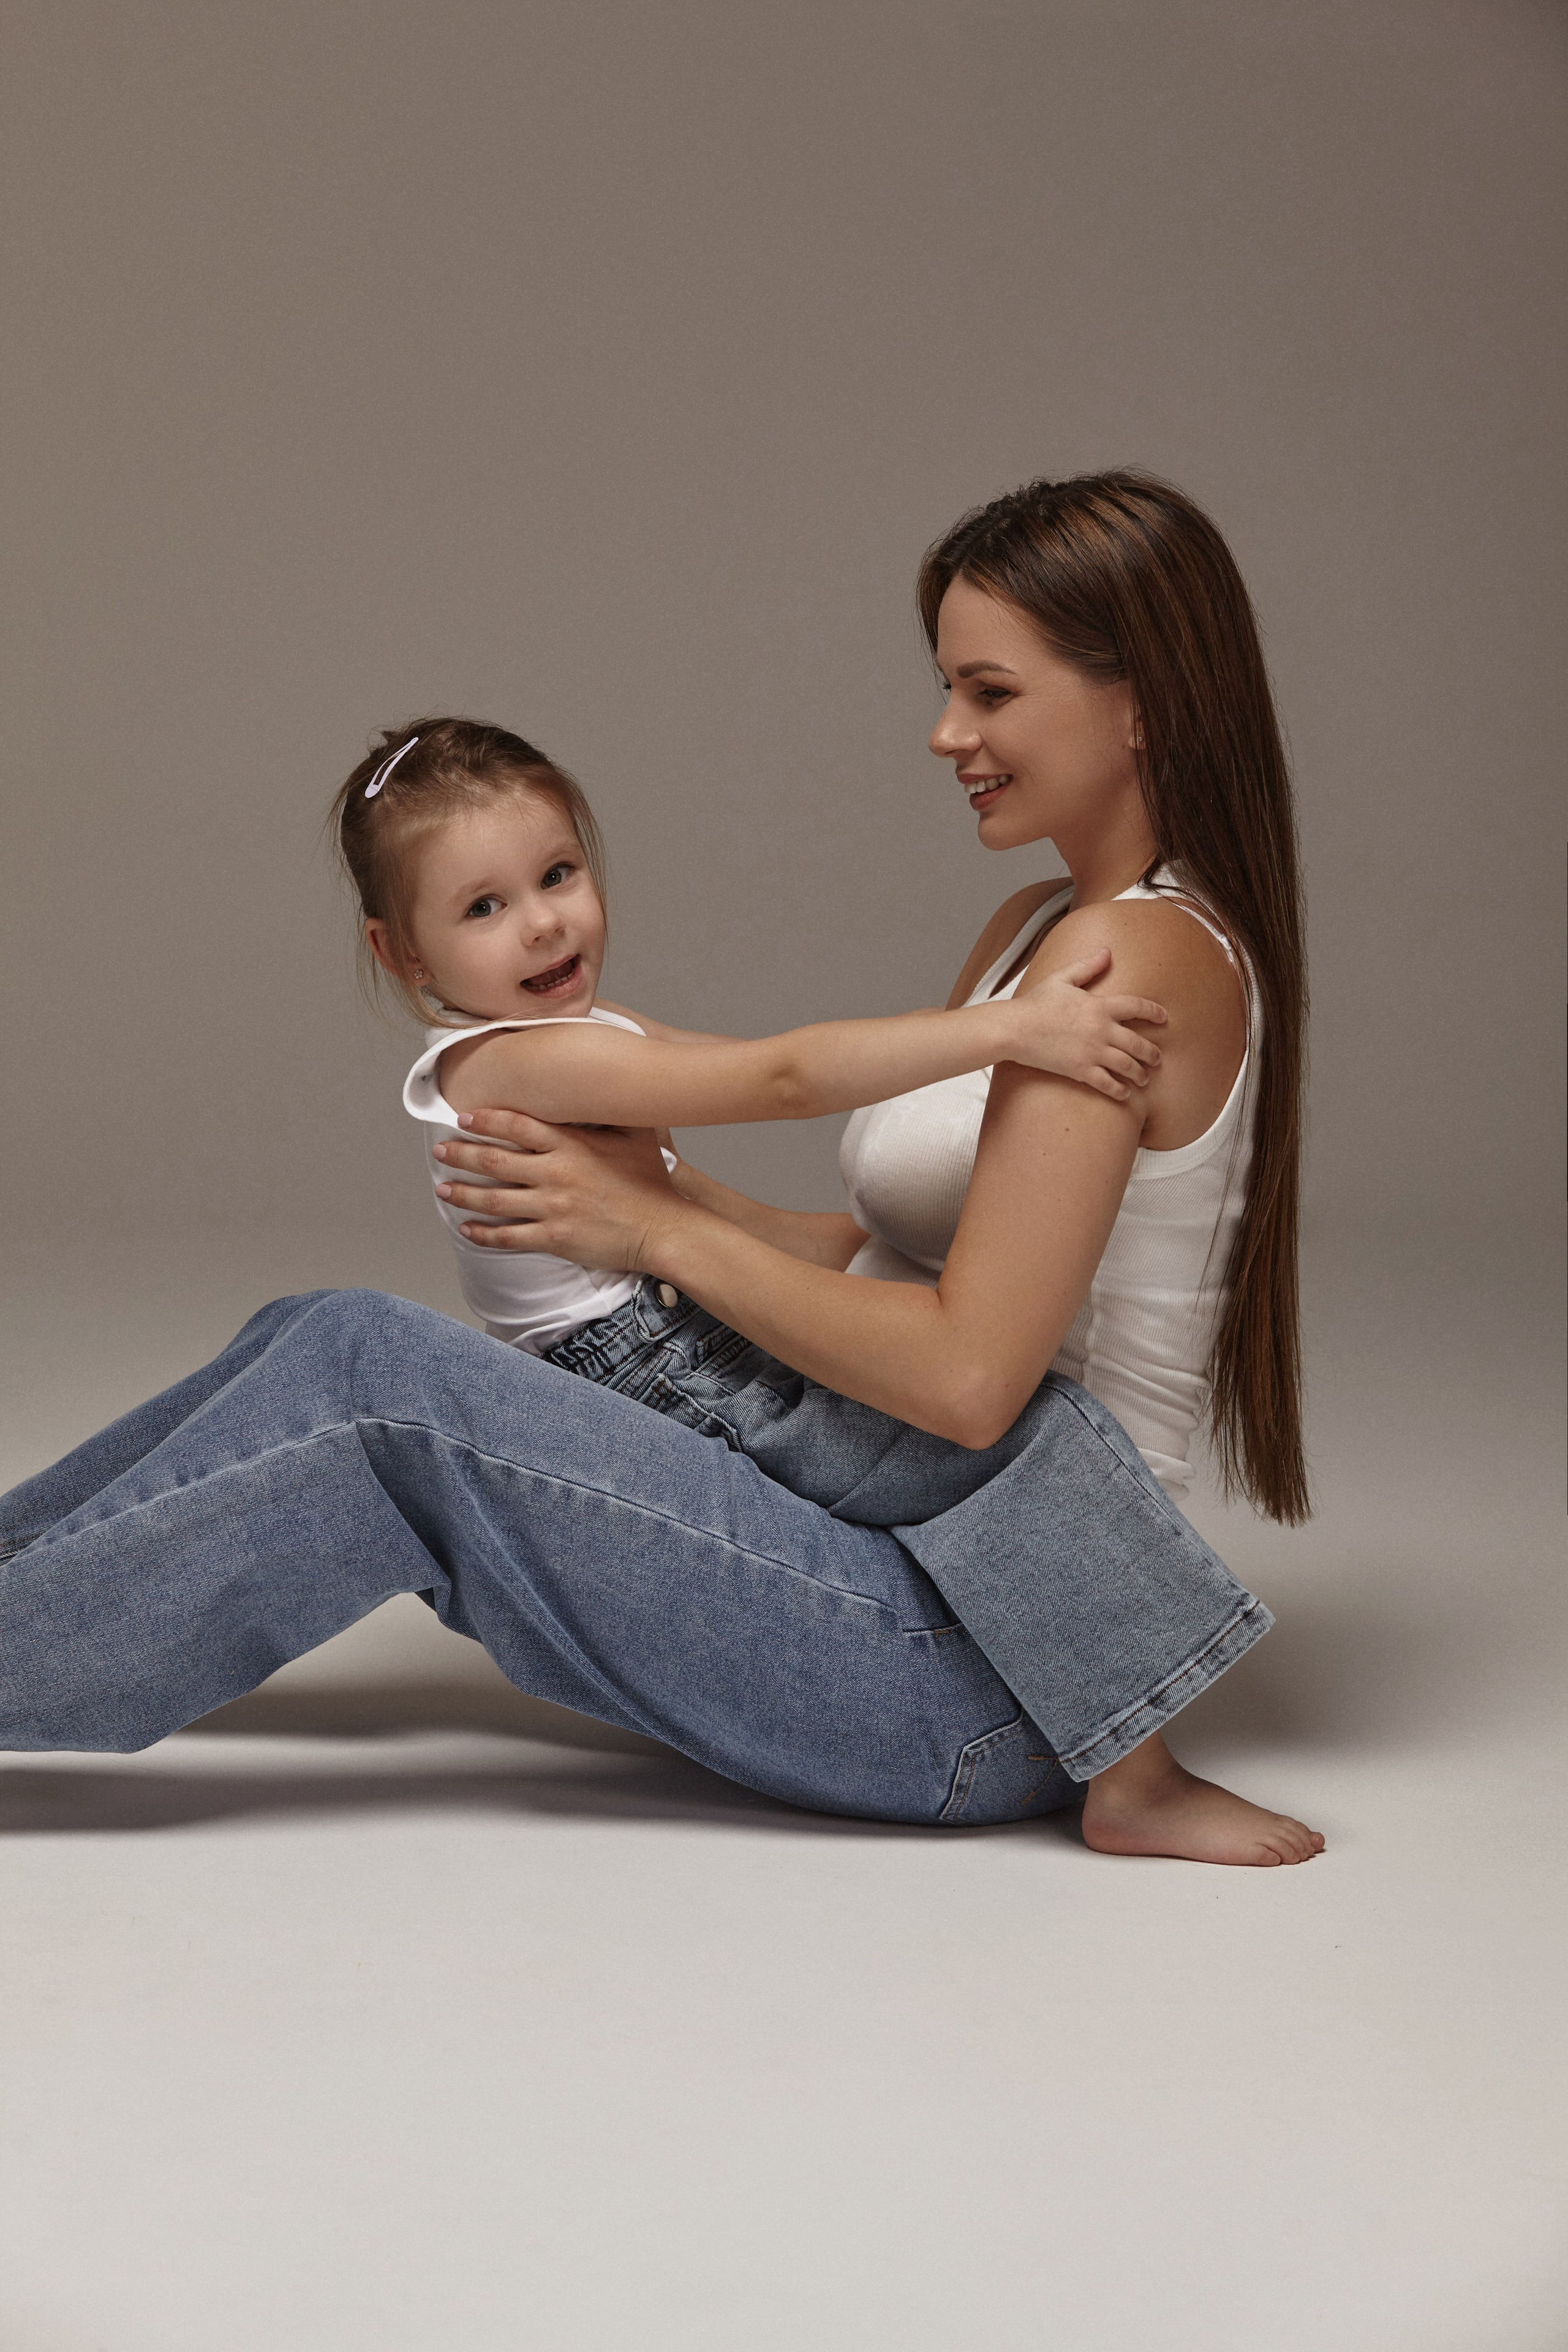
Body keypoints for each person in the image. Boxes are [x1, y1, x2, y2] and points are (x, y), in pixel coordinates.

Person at [0, 470, 1323, 1866]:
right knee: (311, 1340)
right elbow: (901, 1267)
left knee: (367, 1377)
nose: (945, 733)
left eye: (986, 692)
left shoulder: (1127, 965)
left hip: (995, 1665)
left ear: (1138, 699)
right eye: (947, 688)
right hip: (897, 1549)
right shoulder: (1035, 931)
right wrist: (663, 1203)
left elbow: (966, 1378)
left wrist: (658, 1239)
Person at [329, 715, 1167, 1358]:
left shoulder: (593, 1032)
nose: (544, 924)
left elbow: (764, 1060)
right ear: (403, 953)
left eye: (558, 874)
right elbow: (784, 1081)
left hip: (667, 1337)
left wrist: (973, 1034)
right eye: (485, 907)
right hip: (627, 1370)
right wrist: (1012, 1028)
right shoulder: (515, 1061)